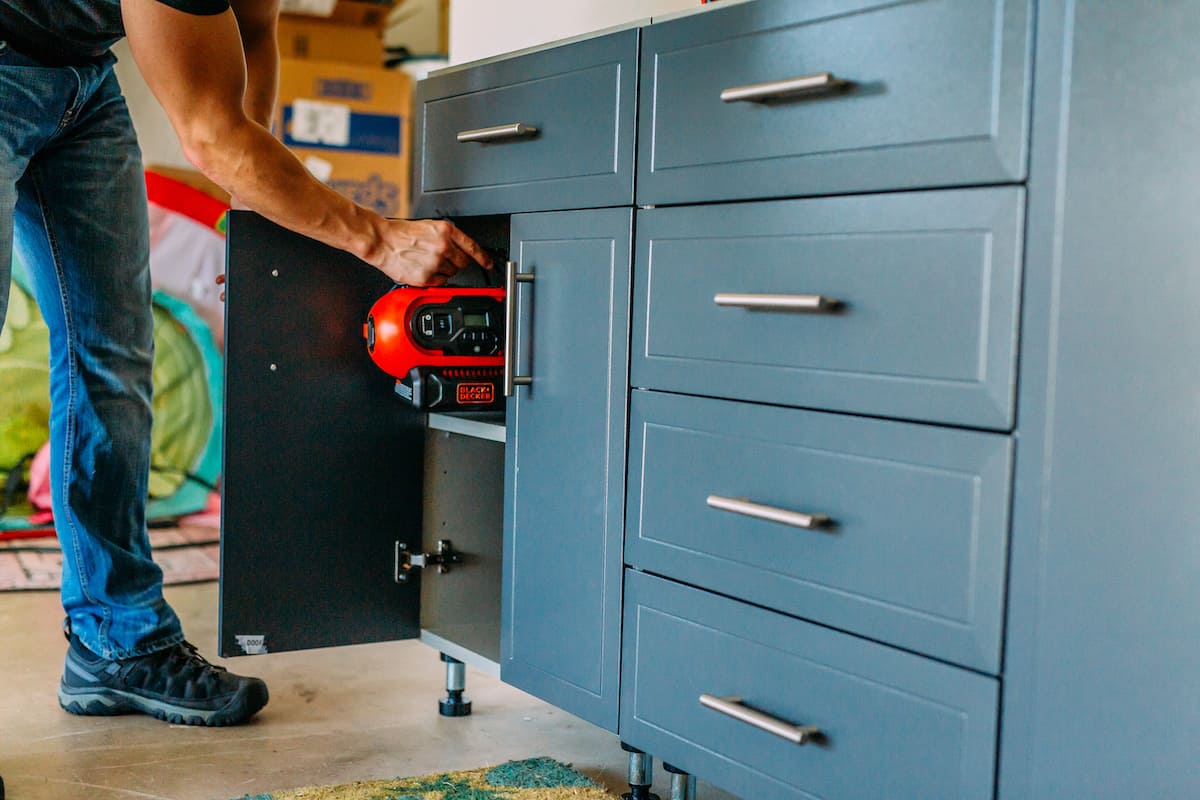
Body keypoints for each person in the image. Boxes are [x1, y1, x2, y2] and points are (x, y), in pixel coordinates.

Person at [0, 0, 491, 726]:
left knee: (113, 356)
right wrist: (379, 239)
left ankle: (116, 642)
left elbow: (254, 35)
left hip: (81, 80)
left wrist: (251, 216)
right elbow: (208, 132)